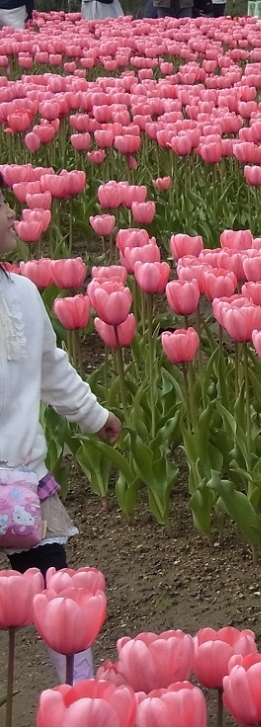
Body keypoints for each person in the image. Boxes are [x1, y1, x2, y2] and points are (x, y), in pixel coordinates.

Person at [0, 182, 123, 682]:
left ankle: (79, 693)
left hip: (24, 478)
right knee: (53, 581)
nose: (12, 213)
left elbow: (52, 368)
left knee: (56, 587)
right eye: (0, 205)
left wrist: (94, 416)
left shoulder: (25, 292)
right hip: (21, 474)